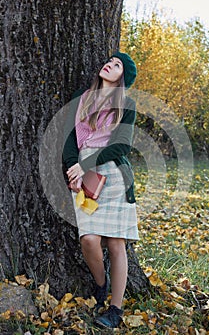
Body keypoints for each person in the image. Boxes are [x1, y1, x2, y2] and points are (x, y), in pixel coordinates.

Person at [62, 51, 139, 329]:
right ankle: (100, 285)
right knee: (89, 240)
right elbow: (70, 139)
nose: (110, 64)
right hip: (86, 175)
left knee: (117, 243)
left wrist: (85, 165)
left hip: (114, 174)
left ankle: (115, 310)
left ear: (123, 77)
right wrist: (73, 168)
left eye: (117, 65)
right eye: (110, 61)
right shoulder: (83, 98)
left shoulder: (126, 104)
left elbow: (122, 145)